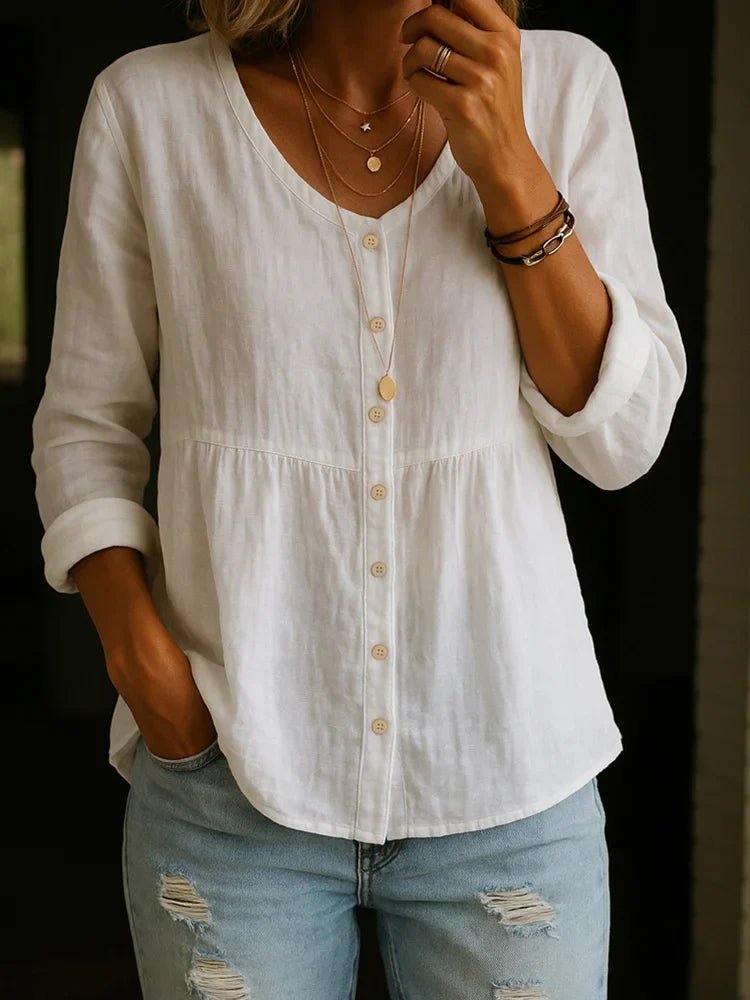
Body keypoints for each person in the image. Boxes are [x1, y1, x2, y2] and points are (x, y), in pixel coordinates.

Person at [30, 0, 687, 995]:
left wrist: (509, 163)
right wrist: (145, 668)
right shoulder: (149, 109)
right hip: (232, 776)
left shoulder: (567, 87)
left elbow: (623, 443)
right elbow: (87, 424)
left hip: (509, 773)